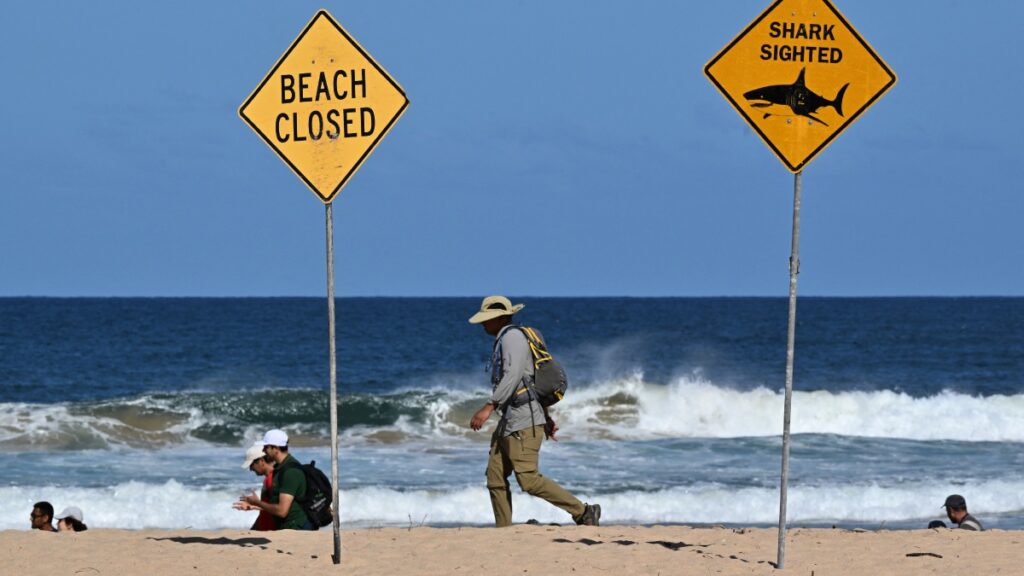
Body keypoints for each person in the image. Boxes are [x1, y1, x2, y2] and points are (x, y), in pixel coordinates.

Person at [468, 295, 601, 528]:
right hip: (512, 420)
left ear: (500, 318)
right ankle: (503, 531)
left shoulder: (512, 338)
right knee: (495, 477)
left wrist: (489, 406)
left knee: (528, 480)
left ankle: (583, 512)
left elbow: (513, 376)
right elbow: (532, 382)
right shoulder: (507, 339)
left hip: (522, 420)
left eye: (486, 319)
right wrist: (547, 417)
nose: (482, 324)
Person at [239, 429, 311, 530]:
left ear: (276, 448)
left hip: (296, 527)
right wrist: (254, 506)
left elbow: (282, 511)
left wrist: (257, 503)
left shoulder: (290, 472)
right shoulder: (280, 469)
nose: (263, 451)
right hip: (289, 526)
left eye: (266, 447)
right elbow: (277, 505)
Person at [233, 441, 277, 531]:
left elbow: (280, 509)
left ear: (261, 461)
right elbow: (272, 506)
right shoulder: (270, 478)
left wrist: (257, 503)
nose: (250, 469)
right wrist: (254, 506)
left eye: (252, 465)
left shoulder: (273, 479)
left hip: (271, 532)